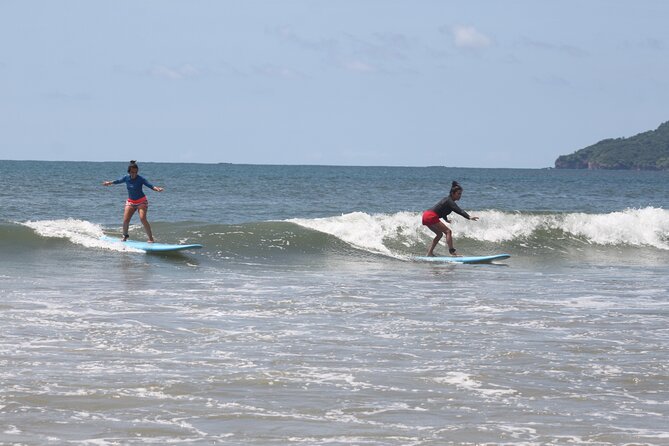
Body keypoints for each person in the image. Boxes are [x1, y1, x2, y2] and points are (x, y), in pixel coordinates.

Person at [103, 160, 164, 242]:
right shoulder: (126, 178)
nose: (134, 174)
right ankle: (125, 236)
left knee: (142, 218)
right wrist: (109, 183)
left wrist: (157, 189)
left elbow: (150, 185)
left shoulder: (141, 179)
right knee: (125, 220)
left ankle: (150, 239)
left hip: (141, 201)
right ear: (129, 172)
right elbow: (118, 181)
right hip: (131, 202)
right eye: (132, 172)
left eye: (135, 172)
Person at [421, 181, 479, 257]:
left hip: (426, 215)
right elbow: (459, 210)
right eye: (458, 194)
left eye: (460, 194)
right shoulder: (449, 201)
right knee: (448, 231)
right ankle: (452, 252)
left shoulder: (448, 201)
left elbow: (442, 211)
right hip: (430, 216)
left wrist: (446, 219)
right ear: (452, 193)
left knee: (439, 234)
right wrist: (468, 217)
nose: (460, 196)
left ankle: (429, 253)